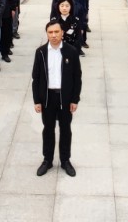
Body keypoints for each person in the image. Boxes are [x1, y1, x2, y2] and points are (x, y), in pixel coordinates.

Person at [33, 19, 82, 177]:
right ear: (47, 34)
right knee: (48, 129)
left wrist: (75, 99)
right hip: (47, 98)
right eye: (50, 32)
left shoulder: (71, 51)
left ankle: (65, 160)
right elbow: (36, 78)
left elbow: (77, 77)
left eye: (56, 32)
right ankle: (47, 160)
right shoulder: (40, 52)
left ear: (62, 33)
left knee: (66, 129)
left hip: (65, 98)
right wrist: (37, 101)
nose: (53, 35)